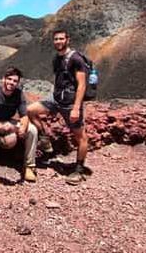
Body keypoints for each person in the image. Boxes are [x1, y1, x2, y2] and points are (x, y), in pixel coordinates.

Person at [27, 29, 89, 185]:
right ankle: (45, 139)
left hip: (70, 103)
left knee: (81, 137)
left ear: (68, 39)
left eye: (61, 38)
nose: (58, 41)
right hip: (55, 99)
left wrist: (76, 108)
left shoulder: (76, 59)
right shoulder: (57, 58)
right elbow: (58, 79)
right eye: (56, 39)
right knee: (30, 110)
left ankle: (79, 170)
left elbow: (82, 85)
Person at [0, 66, 38, 187]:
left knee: (32, 130)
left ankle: (29, 166)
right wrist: (0, 126)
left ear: (18, 83)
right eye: (9, 79)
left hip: (9, 122)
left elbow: (24, 116)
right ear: (3, 79)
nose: (11, 82)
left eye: (15, 81)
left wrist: (23, 128)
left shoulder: (18, 94)